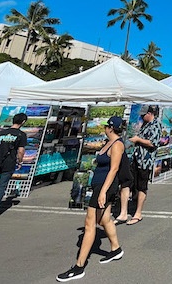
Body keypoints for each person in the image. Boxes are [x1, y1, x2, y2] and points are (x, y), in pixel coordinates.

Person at [57, 117, 125, 282]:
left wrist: (103, 192)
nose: (104, 129)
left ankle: (79, 267)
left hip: (105, 187)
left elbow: (114, 169)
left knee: (90, 224)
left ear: (111, 128)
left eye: (106, 126)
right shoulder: (107, 142)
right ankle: (116, 249)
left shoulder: (118, 144)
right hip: (98, 185)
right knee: (104, 219)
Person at [126, 106, 163, 226]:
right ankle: (130, 207)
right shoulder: (145, 124)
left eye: (143, 115)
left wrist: (138, 140)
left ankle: (138, 212)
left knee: (142, 185)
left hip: (146, 160)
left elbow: (153, 143)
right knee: (133, 183)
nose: (142, 117)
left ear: (150, 113)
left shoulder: (156, 125)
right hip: (137, 157)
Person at [112, 129, 133, 225]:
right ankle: (122, 212)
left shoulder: (119, 142)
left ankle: (123, 213)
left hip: (125, 158)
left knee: (125, 182)